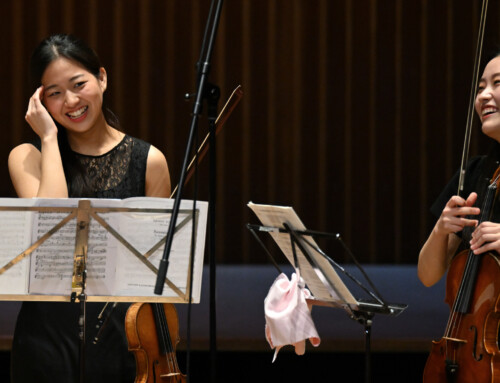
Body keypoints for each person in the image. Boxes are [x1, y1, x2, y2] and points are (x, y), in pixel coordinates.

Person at [8, 34, 171, 382]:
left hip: (123, 343)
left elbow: (155, 275)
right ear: (40, 101)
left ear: (102, 77)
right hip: (45, 342)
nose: (70, 101)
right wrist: (49, 139)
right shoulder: (28, 158)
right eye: (54, 92)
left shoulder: (150, 162)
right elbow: (51, 236)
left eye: (78, 84)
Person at [418, 52, 500, 288]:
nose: (483, 95)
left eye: (497, 83)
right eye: (481, 86)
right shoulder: (474, 172)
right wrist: (441, 230)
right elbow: (427, 276)